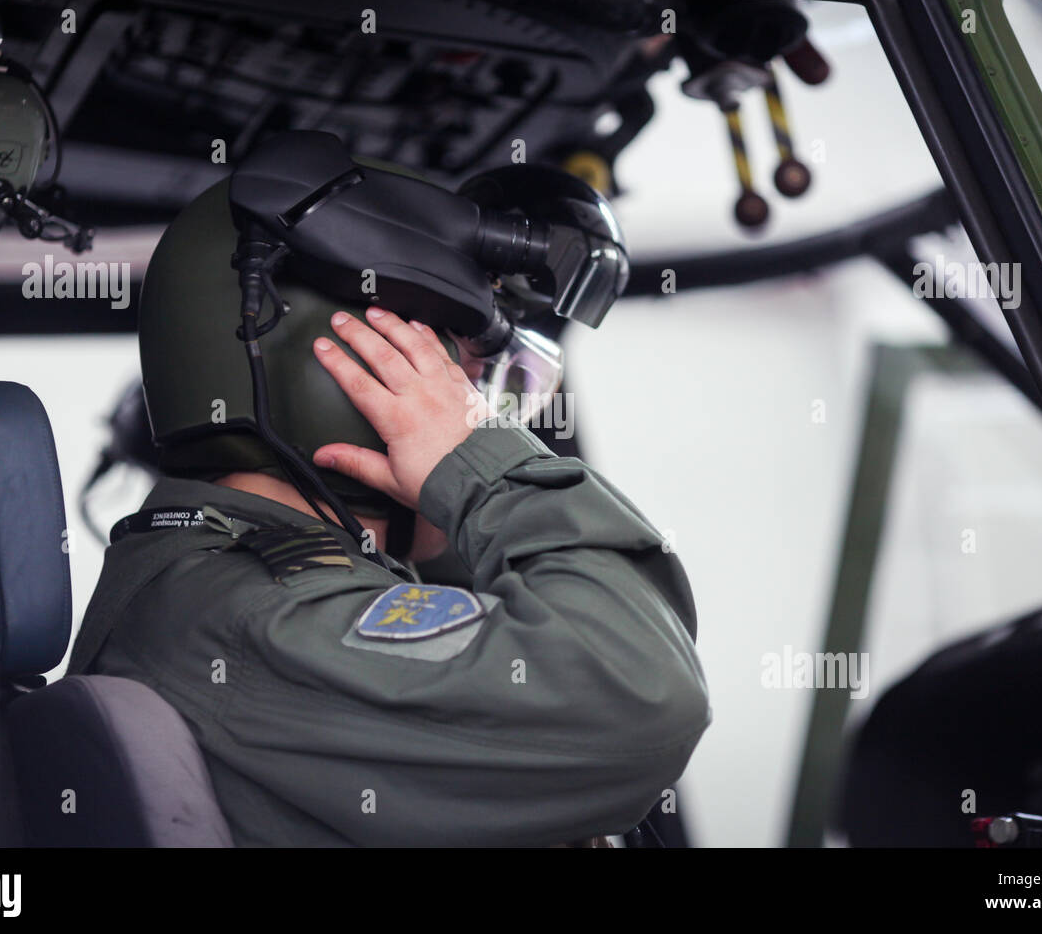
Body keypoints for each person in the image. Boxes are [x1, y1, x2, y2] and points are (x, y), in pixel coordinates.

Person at [68, 171, 710, 847]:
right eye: (462, 379)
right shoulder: (257, 617)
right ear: (341, 369)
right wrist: (474, 464)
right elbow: (642, 695)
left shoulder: (245, 590)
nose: (488, 419)